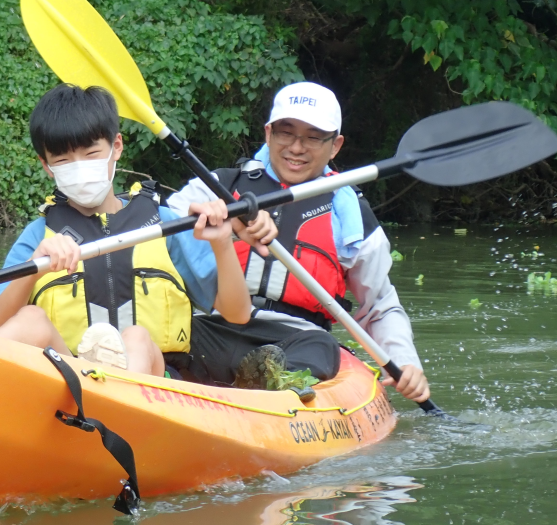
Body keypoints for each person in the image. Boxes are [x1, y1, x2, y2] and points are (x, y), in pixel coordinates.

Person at [167, 81, 430, 403]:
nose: (296, 147)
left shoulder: (351, 217)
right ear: (268, 133)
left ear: (335, 145)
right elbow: (163, 224)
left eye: (313, 137)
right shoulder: (218, 187)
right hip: (213, 326)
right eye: (286, 132)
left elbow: (379, 305)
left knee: (322, 346)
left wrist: (404, 360)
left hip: (295, 336)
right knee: (170, 332)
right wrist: (227, 224)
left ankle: (274, 383)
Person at [0, 84, 269, 378]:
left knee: (136, 337)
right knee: (31, 319)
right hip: (71, 377)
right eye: (63, 161)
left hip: (156, 382)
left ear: (116, 146)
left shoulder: (165, 224)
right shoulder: (38, 236)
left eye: (91, 153)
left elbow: (238, 314)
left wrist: (222, 242)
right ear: (46, 165)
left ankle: (122, 403)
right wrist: (34, 268)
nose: (79, 168)